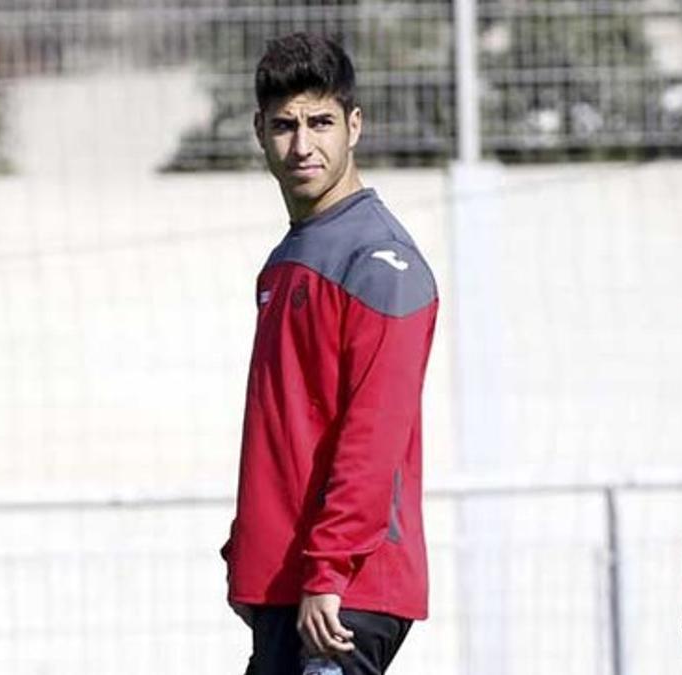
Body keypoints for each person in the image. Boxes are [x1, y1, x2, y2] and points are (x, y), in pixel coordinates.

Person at [221, 32, 438, 675]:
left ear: (355, 125)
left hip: (345, 591)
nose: (303, 144)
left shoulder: (379, 262)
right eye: (285, 125)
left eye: (321, 122)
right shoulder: (289, 257)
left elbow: (372, 436)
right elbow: (286, 424)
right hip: (290, 583)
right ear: (260, 130)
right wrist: (249, 554)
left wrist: (329, 569)